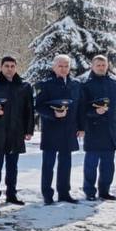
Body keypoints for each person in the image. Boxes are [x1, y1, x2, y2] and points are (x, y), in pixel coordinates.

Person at [0, 56, 35, 207]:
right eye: (6, 66)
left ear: (16, 67)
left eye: (12, 66)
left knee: (13, 166)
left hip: (16, 131)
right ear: (1, 67)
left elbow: (29, 110)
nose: (9, 69)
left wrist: (29, 130)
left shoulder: (24, 86)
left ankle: (11, 194)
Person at [78, 54, 116, 201]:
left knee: (108, 165)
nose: (101, 67)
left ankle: (105, 191)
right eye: (98, 65)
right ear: (92, 66)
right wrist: (94, 112)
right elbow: (81, 108)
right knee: (91, 164)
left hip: (111, 130)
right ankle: (89, 192)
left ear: (107, 66)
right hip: (92, 129)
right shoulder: (85, 84)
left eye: (103, 65)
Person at [35, 54, 82, 204]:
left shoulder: (75, 84)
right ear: (54, 67)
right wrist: (53, 113)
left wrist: (81, 127)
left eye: (66, 66)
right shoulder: (46, 84)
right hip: (51, 129)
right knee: (48, 164)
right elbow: (39, 106)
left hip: (69, 130)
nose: (63, 69)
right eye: (60, 66)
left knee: (65, 164)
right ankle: (47, 194)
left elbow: (80, 107)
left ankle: (64, 193)